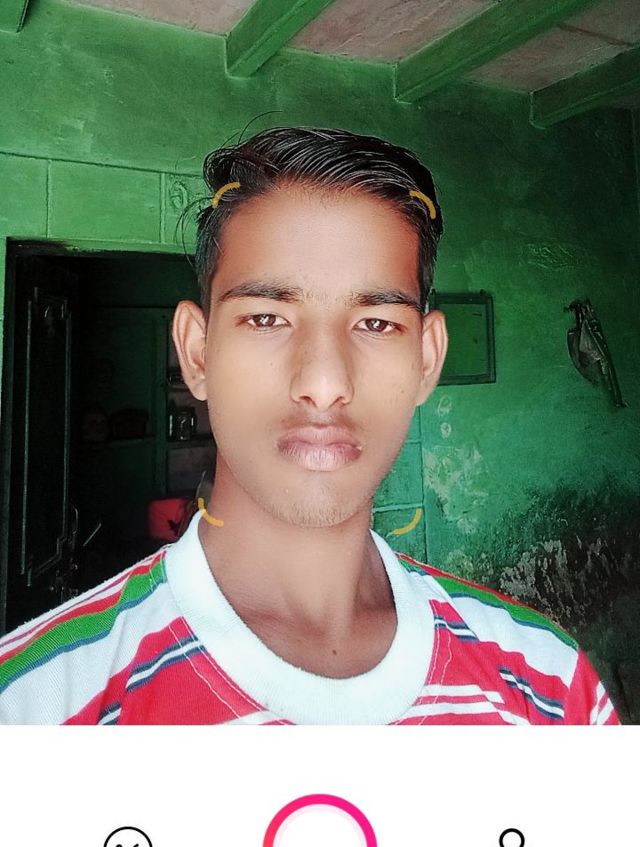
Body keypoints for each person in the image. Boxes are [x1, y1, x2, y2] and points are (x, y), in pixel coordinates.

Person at [0, 126, 618, 725]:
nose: (324, 384)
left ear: (427, 361)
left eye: (377, 324)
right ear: (197, 353)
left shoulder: (549, 686)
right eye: (266, 318)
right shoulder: (37, 706)